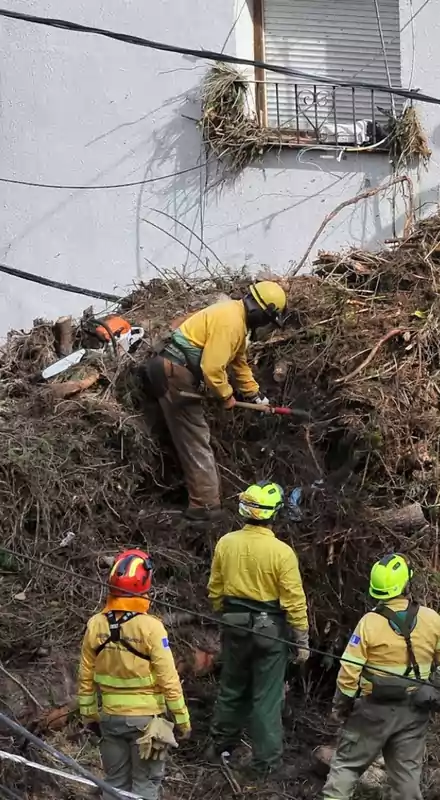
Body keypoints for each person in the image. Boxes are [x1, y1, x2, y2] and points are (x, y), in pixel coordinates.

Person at [142, 281, 287, 521]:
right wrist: (227, 396)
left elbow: (239, 363)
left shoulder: (236, 319)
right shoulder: (231, 323)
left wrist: (255, 395)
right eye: (268, 322)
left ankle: (202, 500)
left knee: (191, 436)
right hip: (174, 371)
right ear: (260, 312)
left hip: (173, 368)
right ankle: (206, 508)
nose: (266, 328)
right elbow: (212, 368)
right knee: (196, 438)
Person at [321, 554, 440, 799]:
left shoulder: (369, 623)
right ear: (406, 584)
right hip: (415, 710)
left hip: (373, 709)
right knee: (406, 775)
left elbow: (349, 669)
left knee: (347, 765)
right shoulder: (432, 619)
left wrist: (341, 705)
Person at [207, 482, 309, 778]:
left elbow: (215, 589)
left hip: (234, 626)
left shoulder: (226, 543)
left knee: (232, 688)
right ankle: (267, 764)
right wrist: (301, 639)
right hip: (270, 632)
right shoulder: (282, 552)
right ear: (275, 513)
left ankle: (218, 746)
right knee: (266, 697)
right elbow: (294, 600)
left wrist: (224, 615)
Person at [77, 549, 190, 800]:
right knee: (146, 786)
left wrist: (89, 715)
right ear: (145, 585)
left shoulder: (95, 624)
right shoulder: (151, 627)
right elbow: (168, 679)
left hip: (110, 720)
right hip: (147, 724)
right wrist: (182, 720)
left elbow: (85, 675)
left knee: (114, 786)